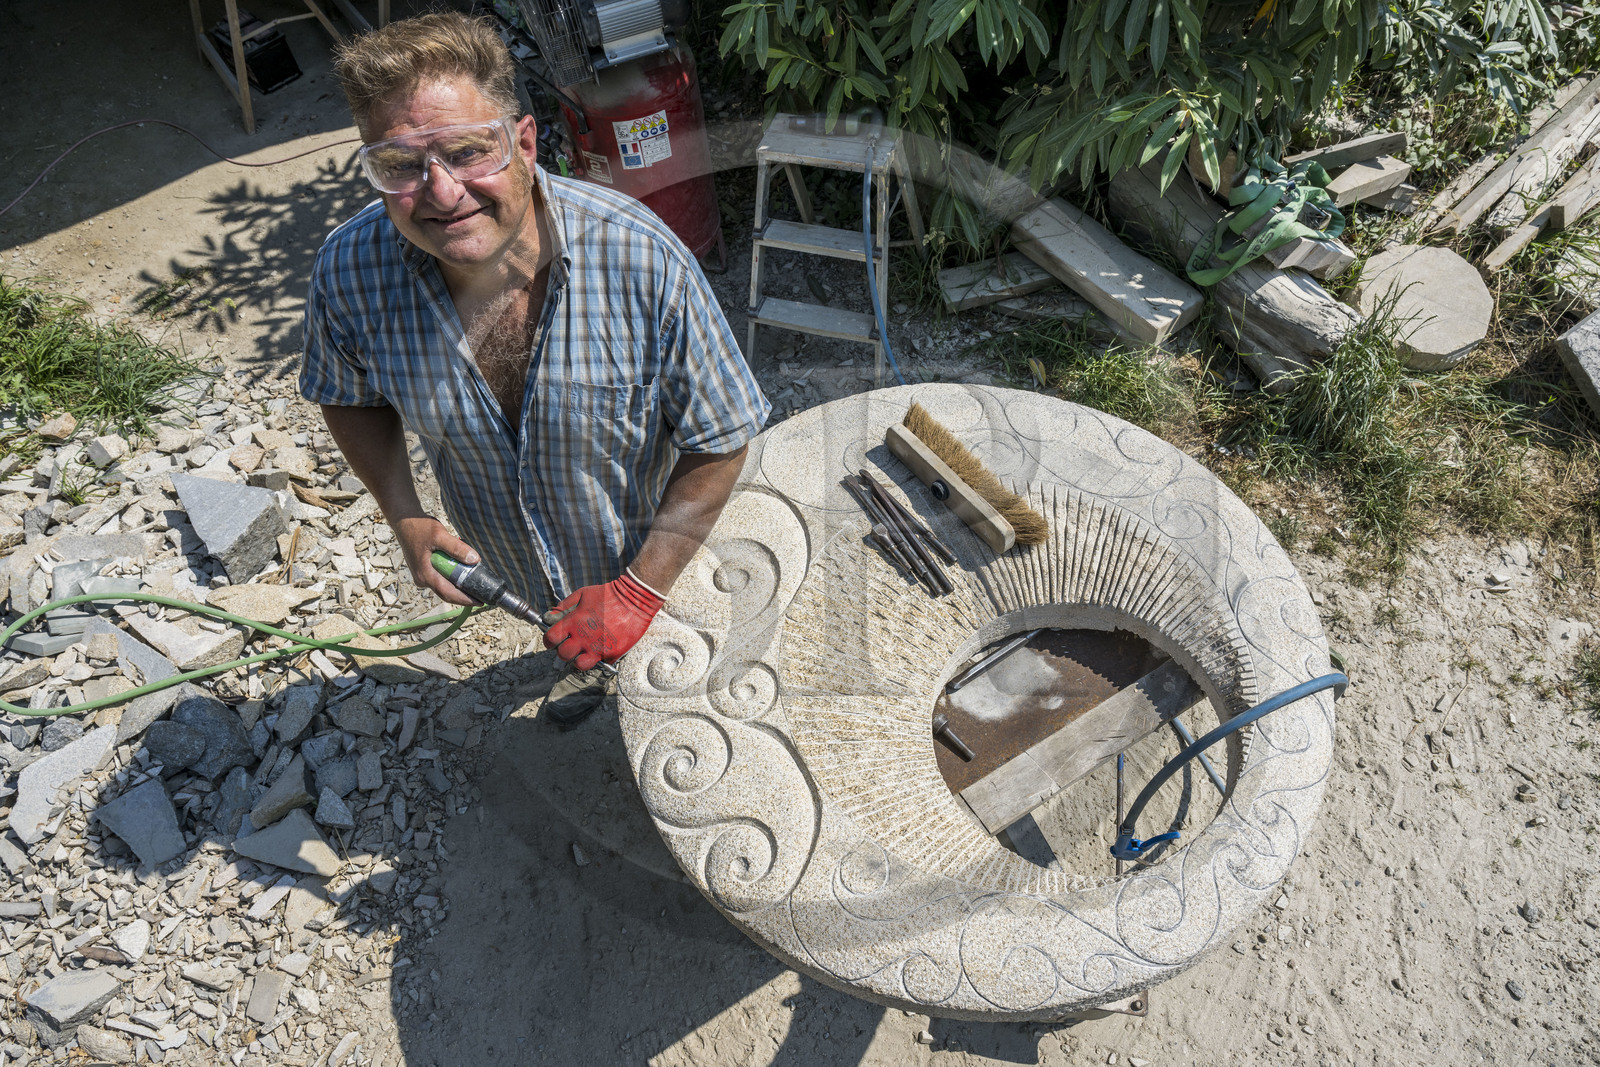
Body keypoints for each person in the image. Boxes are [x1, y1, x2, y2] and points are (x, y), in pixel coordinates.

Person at [300, 12, 768, 724]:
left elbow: (724, 434)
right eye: (400, 164)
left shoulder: (640, 256)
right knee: (584, 664)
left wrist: (641, 591)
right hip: (522, 576)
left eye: (466, 151)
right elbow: (346, 393)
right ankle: (588, 666)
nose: (443, 192)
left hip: (664, 564)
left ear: (523, 142)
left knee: (689, 710)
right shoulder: (349, 273)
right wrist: (406, 515)